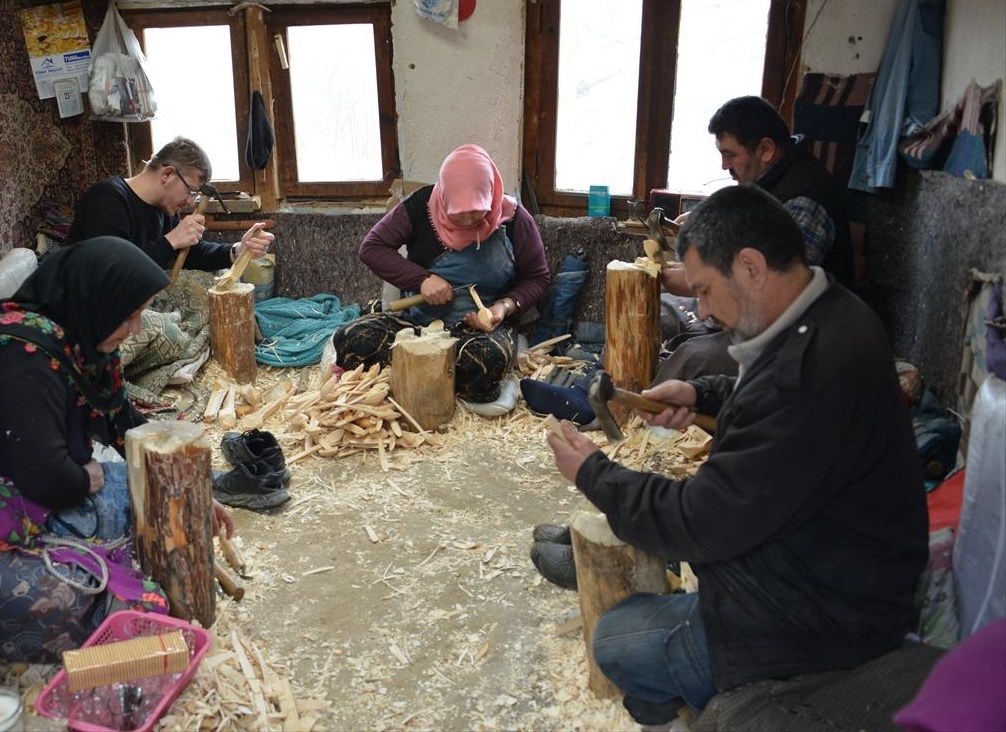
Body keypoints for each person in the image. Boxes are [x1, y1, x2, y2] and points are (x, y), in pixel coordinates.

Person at [546, 184, 926, 726]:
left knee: (618, 642)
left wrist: (593, 473)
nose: (700, 308)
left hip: (820, 620)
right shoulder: (832, 310)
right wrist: (702, 395)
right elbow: (768, 405)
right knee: (640, 617)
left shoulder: (809, 375)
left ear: (750, 266)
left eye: (702, 290)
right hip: (816, 564)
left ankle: (711, 697)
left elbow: (699, 521)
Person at [0, 238, 235, 663]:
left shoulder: (83, 339)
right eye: (130, 315)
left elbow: (127, 427)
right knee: (61, 604)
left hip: (13, 492)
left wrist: (188, 494)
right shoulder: (23, 356)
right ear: (96, 300)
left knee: (137, 494)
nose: (136, 329)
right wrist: (88, 476)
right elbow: (53, 481)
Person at [656, 95, 856, 385]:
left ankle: (635, 419)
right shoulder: (770, 178)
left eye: (730, 154)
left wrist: (695, 285)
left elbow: (766, 298)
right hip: (752, 315)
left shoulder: (807, 201)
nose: (724, 165)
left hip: (795, 336)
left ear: (765, 149)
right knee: (663, 310)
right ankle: (615, 382)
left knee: (693, 356)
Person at [331, 144, 551, 404]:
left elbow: (538, 278)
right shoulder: (420, 206)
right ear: (445, 196)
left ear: (491, 194)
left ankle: (426, 376)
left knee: (486, 362)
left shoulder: (514, 218)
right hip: (420, 326)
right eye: (458, 213)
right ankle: (436, 374)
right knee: (349, 339)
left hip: (480, 333)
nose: (468, 221)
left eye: (477, 210)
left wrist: (502, 308)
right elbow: (371, 248)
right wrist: (421, 280)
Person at [65, 136, 274, 271]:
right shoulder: (108, 200)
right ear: (167, 174)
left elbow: (189, 254)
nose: (191, 201)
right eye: (191, 191)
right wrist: (171, 240)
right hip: (83, 300)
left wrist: (237, 250)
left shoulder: (164, 209)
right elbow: (113, 271)